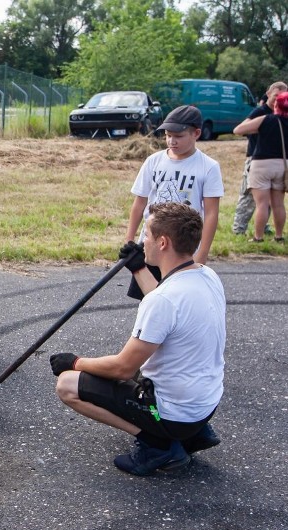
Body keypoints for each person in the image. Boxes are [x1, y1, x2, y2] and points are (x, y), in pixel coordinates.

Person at [52, 202, 225, 476]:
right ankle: (192, 435)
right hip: (203, 407)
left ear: (163, 242)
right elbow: (168, 303)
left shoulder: (162, 301)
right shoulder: (206, 276)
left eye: (147, 235)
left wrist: (75, 362)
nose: (143, 240)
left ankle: (157, 444)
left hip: (170, 414)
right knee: (132, 365)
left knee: (67, 385)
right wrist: (137, 268)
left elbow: (124, 368)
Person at [123, 105, 224, 299]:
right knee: (149, 297)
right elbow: (139, 203)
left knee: (179, 298)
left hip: (182, 247)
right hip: (152, 243)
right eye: (168, 135)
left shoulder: (208, 167)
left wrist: (202, 253)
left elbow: (211, 213)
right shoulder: (154, 161)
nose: (171, 141)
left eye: (178, 136)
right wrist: (129, 240)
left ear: (196, 133)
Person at [232, 91, 288, 243]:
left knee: (261, 204)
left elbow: (238, 130)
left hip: (262, 164)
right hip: (283, 165)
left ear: (276, 104)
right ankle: (279, 236)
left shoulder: (266, 119)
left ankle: (258, 237)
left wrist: (257, 128)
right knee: (278, 204)